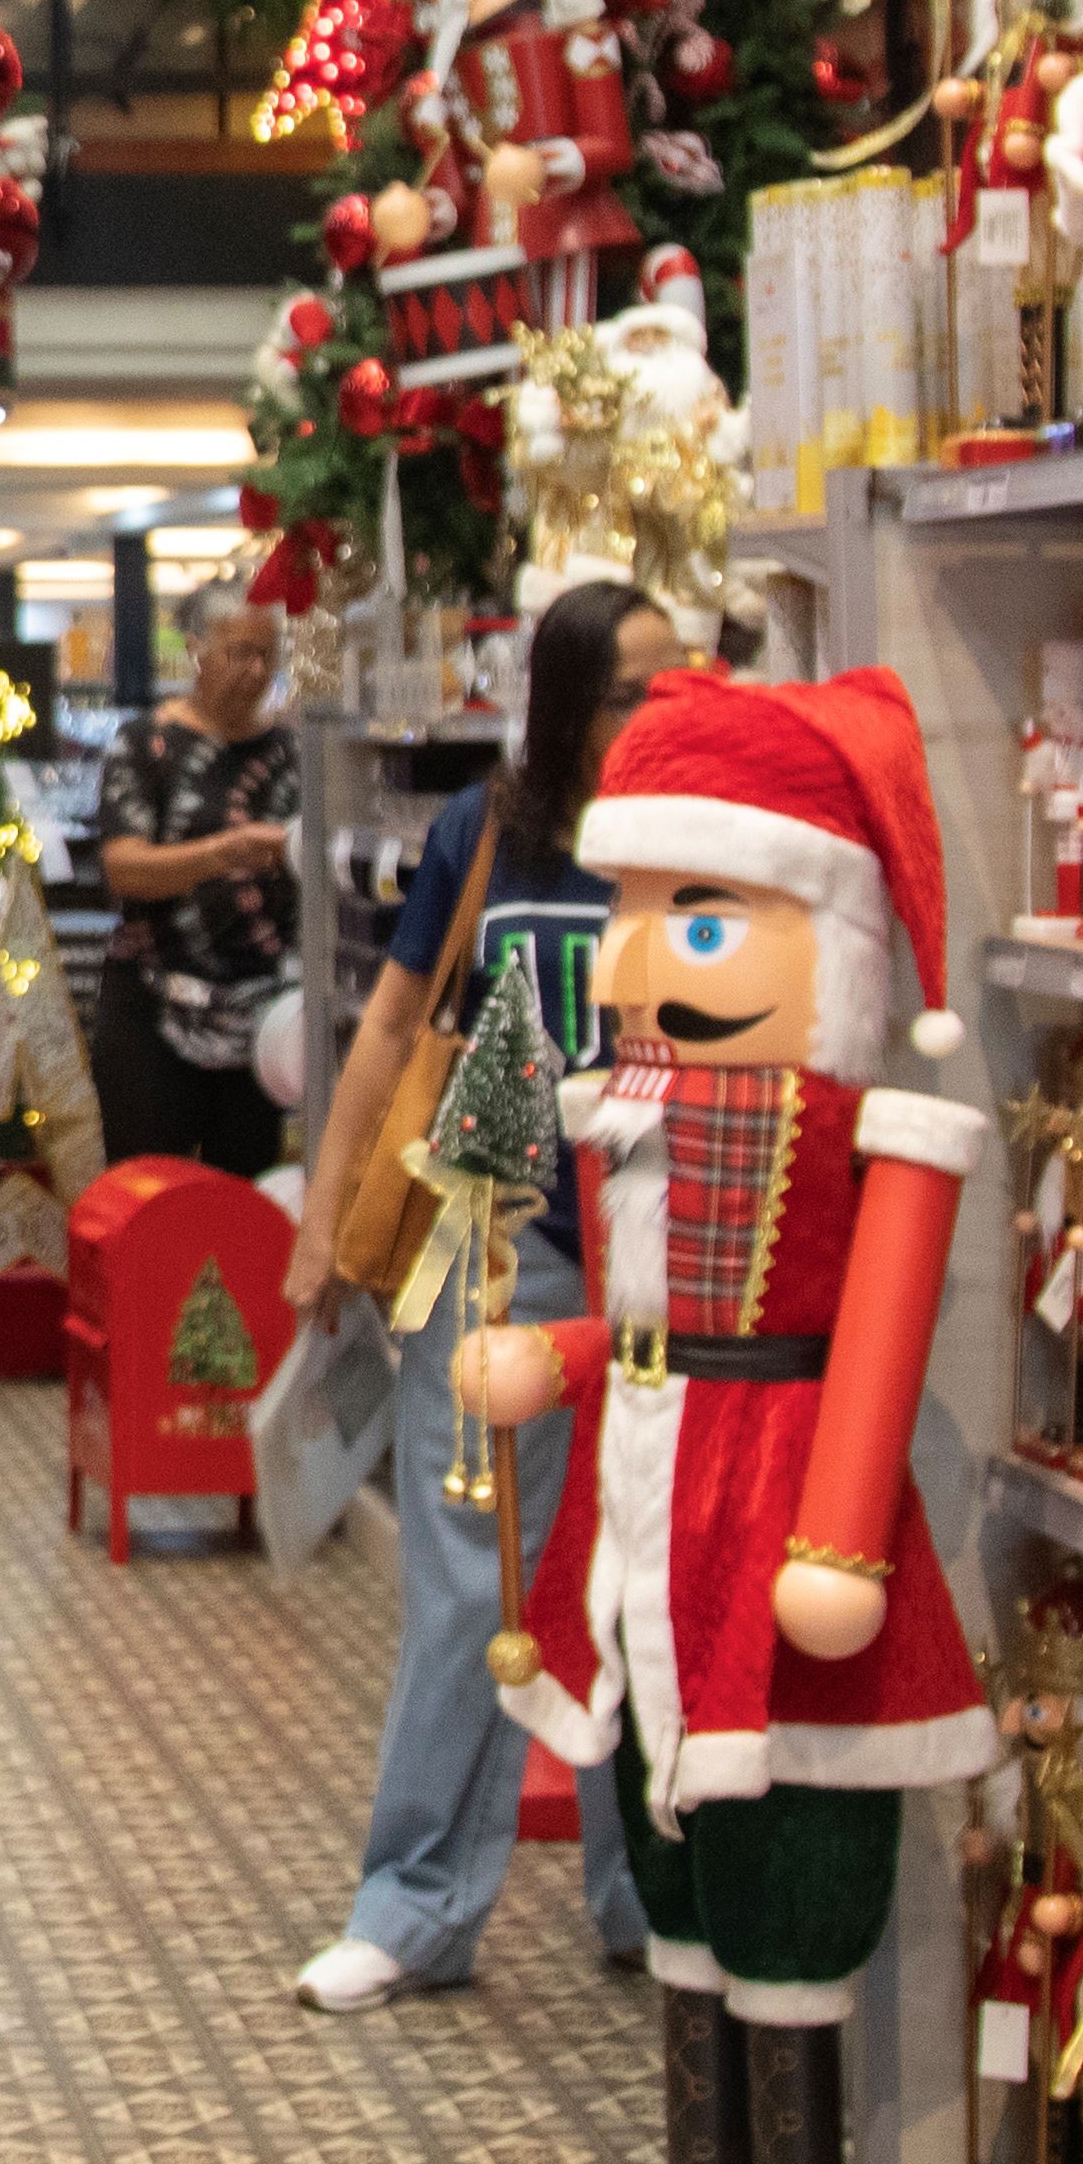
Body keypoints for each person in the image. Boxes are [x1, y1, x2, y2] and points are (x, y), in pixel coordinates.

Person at [281, 582, 677, 2009]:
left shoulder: (696, 838)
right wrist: (323, 1219)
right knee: (470, 1568)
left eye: (678, 682)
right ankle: (415, 1904)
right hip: (489, 1224)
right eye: (639, 687)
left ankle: (652, 1892)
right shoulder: (488, 832)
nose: (665, 709)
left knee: (650, 1568)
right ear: (572, 700)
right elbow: (392, 1024)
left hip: (667, 1233)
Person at [90, 584, 300, 1174]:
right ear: (196, 651)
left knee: (247, 1196)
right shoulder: (144, 745)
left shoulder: (289, 752)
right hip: (152, 1007)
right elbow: (124, 867)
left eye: (267, 654)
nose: (256, 670)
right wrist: (222, 853)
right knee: (148, 1195)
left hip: (262, 1015)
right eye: (239, 653)